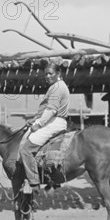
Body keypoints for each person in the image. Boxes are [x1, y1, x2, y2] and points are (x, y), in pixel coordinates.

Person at [19, 61, 70, 193]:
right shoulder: (57, 86)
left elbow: (51, 110)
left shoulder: (57, 87)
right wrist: (35, 120)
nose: (47, 76)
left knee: (26, 149)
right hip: (53, 121)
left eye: (50, 73)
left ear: (58, 73)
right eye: (46, 74)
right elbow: (45, 110)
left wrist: (39, 124)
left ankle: (34, 183)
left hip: (54, 122)